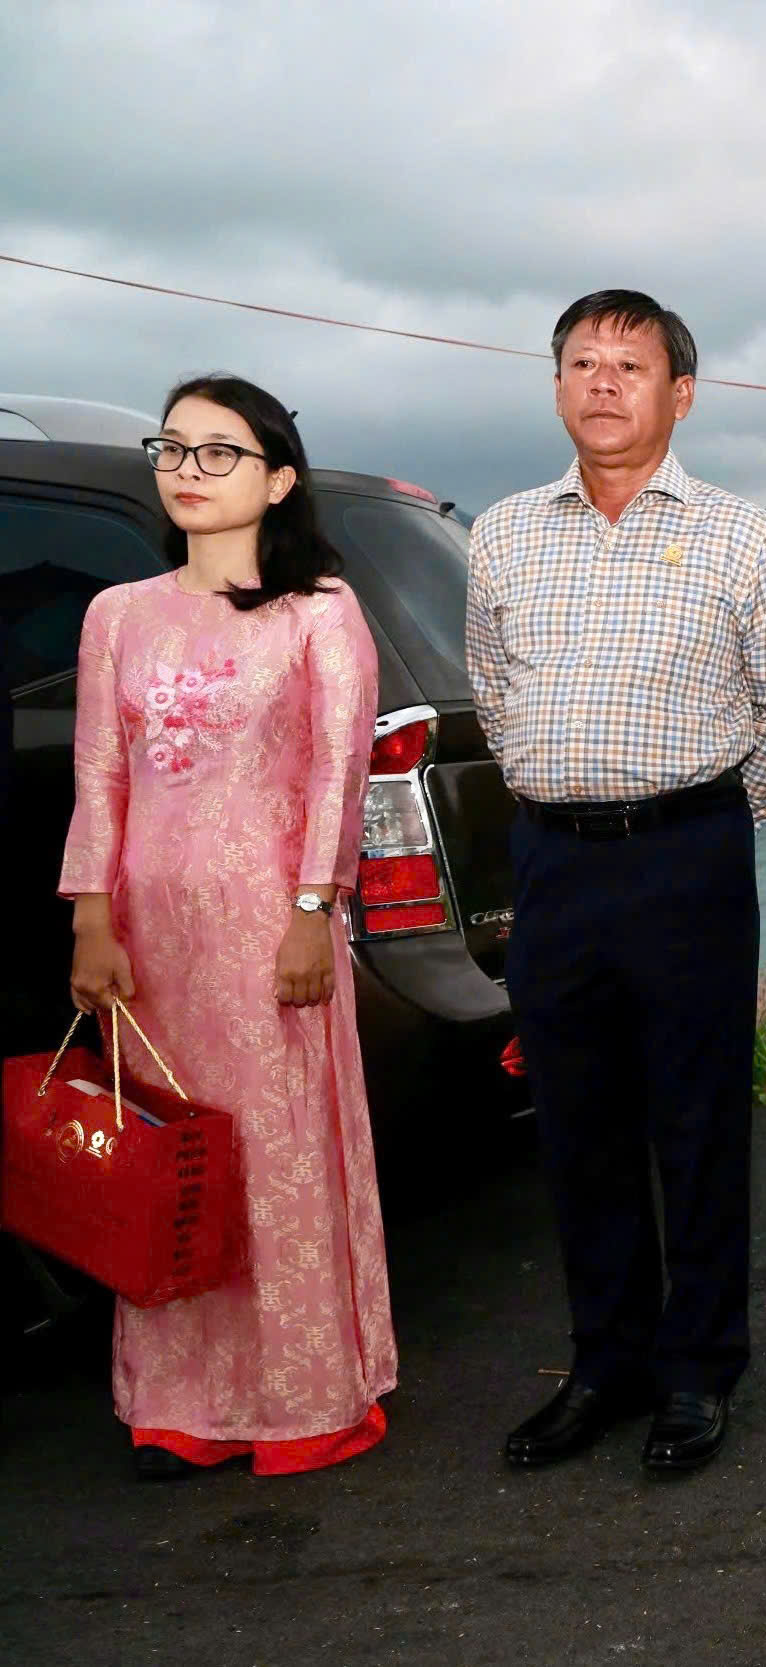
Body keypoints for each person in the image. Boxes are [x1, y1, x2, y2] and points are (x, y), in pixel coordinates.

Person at [468, 290, 766, 1473]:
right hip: (552, 858)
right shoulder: (503, 533)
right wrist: (561, 797)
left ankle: (698, 1367)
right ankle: (604, 1361)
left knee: (697, 1120)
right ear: (556, 386)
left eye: (630, 364)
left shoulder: (742, 535)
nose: (603, 382)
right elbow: (493, 691)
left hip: (685, 856)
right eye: (582, 362)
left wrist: (696, 826)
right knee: (576, 1121)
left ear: (681, 394)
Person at [60, 374, 395, 1479]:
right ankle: (179, 1403)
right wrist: (92, 919)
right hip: (151, 935)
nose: (188, 470)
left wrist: (312, 911)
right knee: (166, 1154)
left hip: (269, 925)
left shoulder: (319, 611)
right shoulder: (119, 614)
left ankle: (301, 1397)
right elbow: (100, 777)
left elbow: (339, 775)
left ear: (279, 478)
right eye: (173, 448)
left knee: (276, 1155)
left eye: (219, 451)